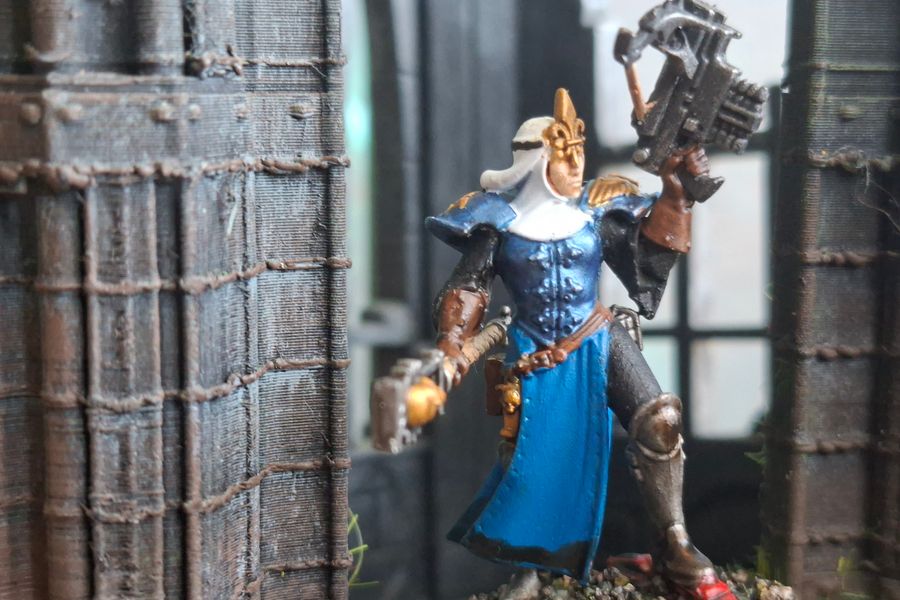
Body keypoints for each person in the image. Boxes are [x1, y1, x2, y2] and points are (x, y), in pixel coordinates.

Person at [420, 89, 734, 600]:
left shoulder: (597, 209)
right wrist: (453, 341)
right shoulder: (495, 221)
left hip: (598, 335)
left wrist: (676, 195)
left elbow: (647, 254)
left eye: (579, 154)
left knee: (660, 420)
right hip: (536, 351)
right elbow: (468, 287)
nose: (576, 165)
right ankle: (528, 568)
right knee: (529, 456)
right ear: (536, 162)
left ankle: (675, 541)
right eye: (565, 156)